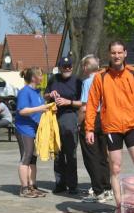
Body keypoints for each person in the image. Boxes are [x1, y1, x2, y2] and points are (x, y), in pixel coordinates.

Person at [84, 40, 134, 213]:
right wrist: (89, 128)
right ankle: (120, 207)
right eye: (113, 53)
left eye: (119, 52)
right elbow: (91, 104)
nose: (116, 56)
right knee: (115, 168)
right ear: (109, 54)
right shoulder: (101, 77)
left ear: (125, 53)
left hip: (132, 126)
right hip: (112, 128)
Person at [45, 55, 83, 194]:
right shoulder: (53, 79)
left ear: (72, 67)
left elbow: (83, 102)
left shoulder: (78, 81)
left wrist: (69, 102)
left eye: (69, 66)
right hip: (54, 117)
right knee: (57, 152)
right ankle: (60, 183)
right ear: (60, 68)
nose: (67, 69)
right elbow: (45, 96)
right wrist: (50, 95)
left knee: (70, 152)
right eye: (64, 66)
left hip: (70, 116)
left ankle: (72, 185)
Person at [78, 54, 112, 203]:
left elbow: (85, 107)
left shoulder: (88, 82)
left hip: (91, 119)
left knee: (91, 156)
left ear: (86, 67)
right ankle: (107, 188)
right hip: (105, 118)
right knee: (103, 155)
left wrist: (79, 123)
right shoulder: (106, 78)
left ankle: (98, 191)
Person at [14, 67, 51, 198]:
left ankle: (32, 186)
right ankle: (24, 188)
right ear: (34, 78)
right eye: (40, 75)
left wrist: (48, 107)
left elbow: (39, 108)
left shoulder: (37, 92)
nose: (42, 77)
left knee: (33, 158)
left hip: (35, 129)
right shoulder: (25, 92)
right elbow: (22, 111)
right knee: (26, 156)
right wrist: (40, 108)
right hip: (24, 129)